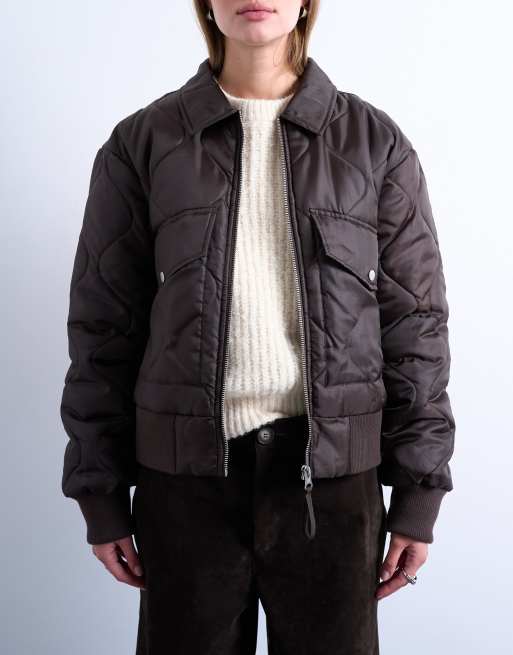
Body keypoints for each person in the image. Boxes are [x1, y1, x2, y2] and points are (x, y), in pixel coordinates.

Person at [59, 1, 455, 653]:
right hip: (184, 483)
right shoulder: (143, 142)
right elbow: (103, 329)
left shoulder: (373, 142)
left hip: (333, 485)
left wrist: (418, 491)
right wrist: (100, 493)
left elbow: (415, 328)